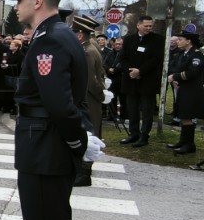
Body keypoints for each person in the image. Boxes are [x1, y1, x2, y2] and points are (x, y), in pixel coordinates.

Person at [9, 0, 103, 220]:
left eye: (20, 0)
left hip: (45, 143)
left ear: (37, 1)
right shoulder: (57, 34)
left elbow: (58, 102)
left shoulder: (50, 39)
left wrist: (77, 140)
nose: (16, 6)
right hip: (45, 140)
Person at [116, 15, 164, 147]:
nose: (149, 28)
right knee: (132, 109)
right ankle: (133, 133)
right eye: (146, 26)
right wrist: (131, 71)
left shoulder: (157, 40)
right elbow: (122, 58)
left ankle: (144, 136)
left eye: (150, 26)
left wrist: (140, 71)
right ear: (138, 25)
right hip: (130, 79)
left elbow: (156, 59)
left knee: (147, 110)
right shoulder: (129, 39)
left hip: (147, 80)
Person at [71, 15, 106, 187]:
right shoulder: (91, 47)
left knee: (88, 134)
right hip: (92, 98)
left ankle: (84, 173)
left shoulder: (86, 51)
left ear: (79, 35)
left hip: (89, 98)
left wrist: (100, 95)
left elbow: (89, 80)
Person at [166, 32, 204, 158]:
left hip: (192, 90)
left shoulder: (196, 55)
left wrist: (175, 77)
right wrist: (176, 79)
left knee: (187, 116)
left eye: (181, 39)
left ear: (188, 41)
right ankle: (183, 141)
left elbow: (192, 72)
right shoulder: (183, 54)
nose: (178, 41)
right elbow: (177, 68)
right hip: (183, 88)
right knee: (182, 115)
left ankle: (189, 145)